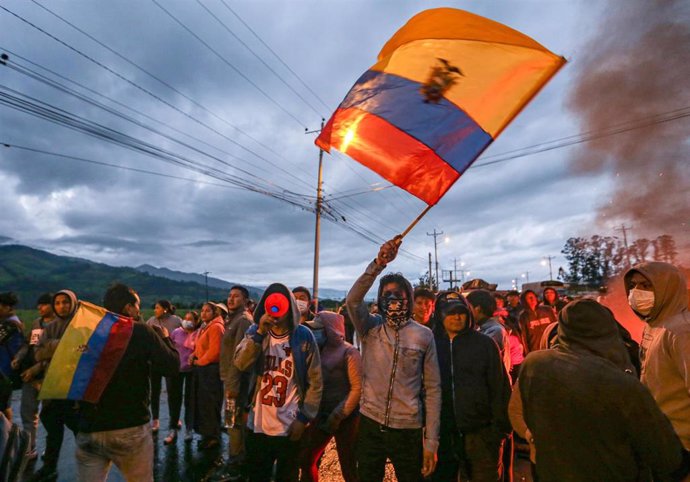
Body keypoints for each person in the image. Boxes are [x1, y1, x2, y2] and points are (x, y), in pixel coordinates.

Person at [513, 299, 690, 481]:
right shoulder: (621, 384)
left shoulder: (534, 364)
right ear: (609, 328)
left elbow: (523, 412)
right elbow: (664, 455)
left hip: (551, 472)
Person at [346, 237, 441, 482]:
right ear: (379, 300)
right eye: (387, 295)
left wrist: (431, 441)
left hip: (407, 429)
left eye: (398, 295)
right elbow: (353, 301)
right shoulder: (371, 328)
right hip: (370, 423)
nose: (393, 300)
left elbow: (433, 389)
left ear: (408, 299)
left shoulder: (424, 335)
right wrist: (378, 264)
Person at [75, 283, 179, 482]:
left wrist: (77, 422)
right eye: (137, 305)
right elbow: (171, 367)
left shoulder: (86, 332)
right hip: (129, 426)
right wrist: (166, 339)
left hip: (88, 428)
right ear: (128, 308)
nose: (139, 310)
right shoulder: (141, 332)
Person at [234, 283, 322, 482]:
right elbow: (240, 363)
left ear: (289, 306)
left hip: (290, 426)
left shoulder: (303, 336)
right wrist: (258, 335)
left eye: (280, 304)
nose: (275, 309)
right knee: (257, 475)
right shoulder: (254, 332)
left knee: (287, 476)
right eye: (270, 303)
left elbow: (315, 381)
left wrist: (304, 418)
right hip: (258, 426)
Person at [431, 291, 511, 482]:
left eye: (461, 311)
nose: (457, 316)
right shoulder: (431, 345)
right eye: (450, 312)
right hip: (444, 435)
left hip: (480, 435)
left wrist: (499, 432)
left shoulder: (484, 344)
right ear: (440, 315)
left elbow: (500, 388)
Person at [624, 262, 690, 449]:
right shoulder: (654, 324)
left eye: (645, 286)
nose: (636, 292)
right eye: (633, 286)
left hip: (683, 445)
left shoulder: (682, 331)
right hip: (665, 439)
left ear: (667, 289)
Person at [300, 311, 362, 482]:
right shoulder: (316, 350)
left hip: (346, 417)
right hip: (321, 414)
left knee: (349, 465)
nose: (316, 333)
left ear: (332, 329)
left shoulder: (349, 352)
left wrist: (339, 414)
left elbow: (357, 388)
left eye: (320, 329)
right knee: (306, 459)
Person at [32, 289, 79, 482]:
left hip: (76, 386)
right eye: (58, 303)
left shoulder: (81, 326)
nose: (62, 306)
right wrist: (60, 345)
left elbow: (81, 351)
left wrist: (51, 348)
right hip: (54, 384)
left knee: (81, 431)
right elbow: (38, 354)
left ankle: (90, 470)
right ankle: (49, 466)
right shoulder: (51, 327)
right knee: (53, 430)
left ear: (73, 303)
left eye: (66, 302)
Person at [12, 293, 55, 459]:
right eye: (39, 305)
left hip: (49, 376)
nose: (40, 308)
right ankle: (30, 448)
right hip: (30, 375)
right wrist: (19, 358)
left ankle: (52, 453)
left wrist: (37, 368)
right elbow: (28, 344)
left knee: (51, 417)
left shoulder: (60, 326)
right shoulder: (37, 323)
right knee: (28, 413)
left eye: (44, 304)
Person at [219, 285, 253, 476]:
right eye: (229, 295)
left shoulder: (243, 321)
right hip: (229, 379)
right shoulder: (232, 319)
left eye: (236, 296)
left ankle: (236, 462)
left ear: (245, 301)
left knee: (233, 421)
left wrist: (232, 386)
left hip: (235, 382)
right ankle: (236, 457)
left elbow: (241, 358)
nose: (231, 299)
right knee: (232, 421)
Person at [189, 302, 225, 450]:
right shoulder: (206, 326)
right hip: (203, 369)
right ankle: (207, 435)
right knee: (203, 404)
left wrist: (199, 362)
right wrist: (193, 355)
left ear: (214, 313)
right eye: (202, 311)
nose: (203, 313)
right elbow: (201, 347)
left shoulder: (216, 327)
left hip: (210, 371)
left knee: (210, 404)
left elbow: (215, 352)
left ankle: (213, 436)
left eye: (207, 311)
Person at [146, 300, 182, 433]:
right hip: (154, 361)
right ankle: (155, 419)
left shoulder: (176, 321)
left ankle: (175, 418)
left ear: (165, 309)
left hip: (169, 359)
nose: (155, 310)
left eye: (157, 308)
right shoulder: (151, 321)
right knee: (154, 391)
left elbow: (183, 336)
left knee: (173, 391)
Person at [164, 311, 200, 445]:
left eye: (191, 319)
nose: (187, 321)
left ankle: (189, 429)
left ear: (196, 322)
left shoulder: (198, 334)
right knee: (174, 399)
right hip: (176, 370)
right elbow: (170, 348)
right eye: (185, 318)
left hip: (191, 370)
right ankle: (172, 428)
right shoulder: (176, 332)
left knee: (190, 400)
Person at [0, 292, 24, 419]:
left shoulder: (10, 325)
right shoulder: (11, 322)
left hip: (5, 371)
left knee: (4, 408)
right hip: (5, 370)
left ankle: (7, 435)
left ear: (8, 307)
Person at [517, 290, 556, 354]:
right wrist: (527, 353)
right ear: (524, 301)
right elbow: (524, 336)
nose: (532, 299)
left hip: (551, 347)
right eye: (529, 298)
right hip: (535, 349)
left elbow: (555, 327)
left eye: (533, 297)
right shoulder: (523, 316)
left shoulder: (547, 310)